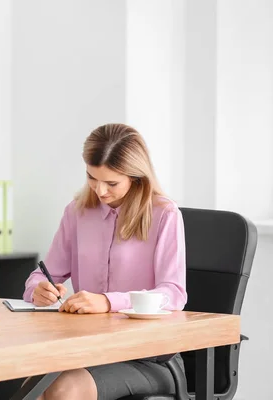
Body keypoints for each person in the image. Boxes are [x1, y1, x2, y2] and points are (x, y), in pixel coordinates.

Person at [23, 123, 187, 400]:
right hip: (86, 349)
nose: (100, 191)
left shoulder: (164, 214)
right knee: (24, 381)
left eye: (111, 183)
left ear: (135, 177)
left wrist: (109, 301)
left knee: (64, 390)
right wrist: (38, 290)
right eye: (92, 177)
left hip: (148, 357)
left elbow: (173, 294)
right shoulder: (77, 212)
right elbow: (43, 275)